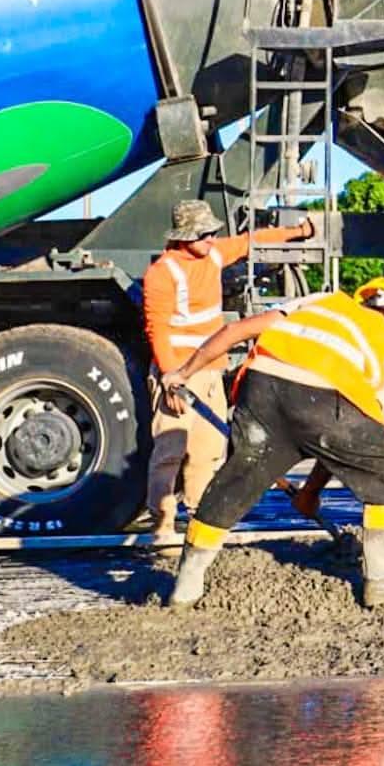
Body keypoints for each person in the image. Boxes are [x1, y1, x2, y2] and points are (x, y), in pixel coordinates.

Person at [160, 277, 384, 609]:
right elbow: (347, 439)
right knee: (383, 468)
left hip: (261, 387)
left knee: (236, 480)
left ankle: (186, 586)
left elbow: (235, 332)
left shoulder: (322, 301)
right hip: (326, 400)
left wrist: (183, 373)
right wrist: (311, 493)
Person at [140, 199, 313, 537]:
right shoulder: (162, 273)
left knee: (206, 454)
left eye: (213, 232)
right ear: (183, 237)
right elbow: (156, 328)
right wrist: (171, 380)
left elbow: (252, 240)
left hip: (208, 373)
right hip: (178, 373)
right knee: (169, 453)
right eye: (203, 233)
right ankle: (161, 527)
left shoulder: (215, 253)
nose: (211, 238)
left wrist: (298, 232)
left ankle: (197, 523)